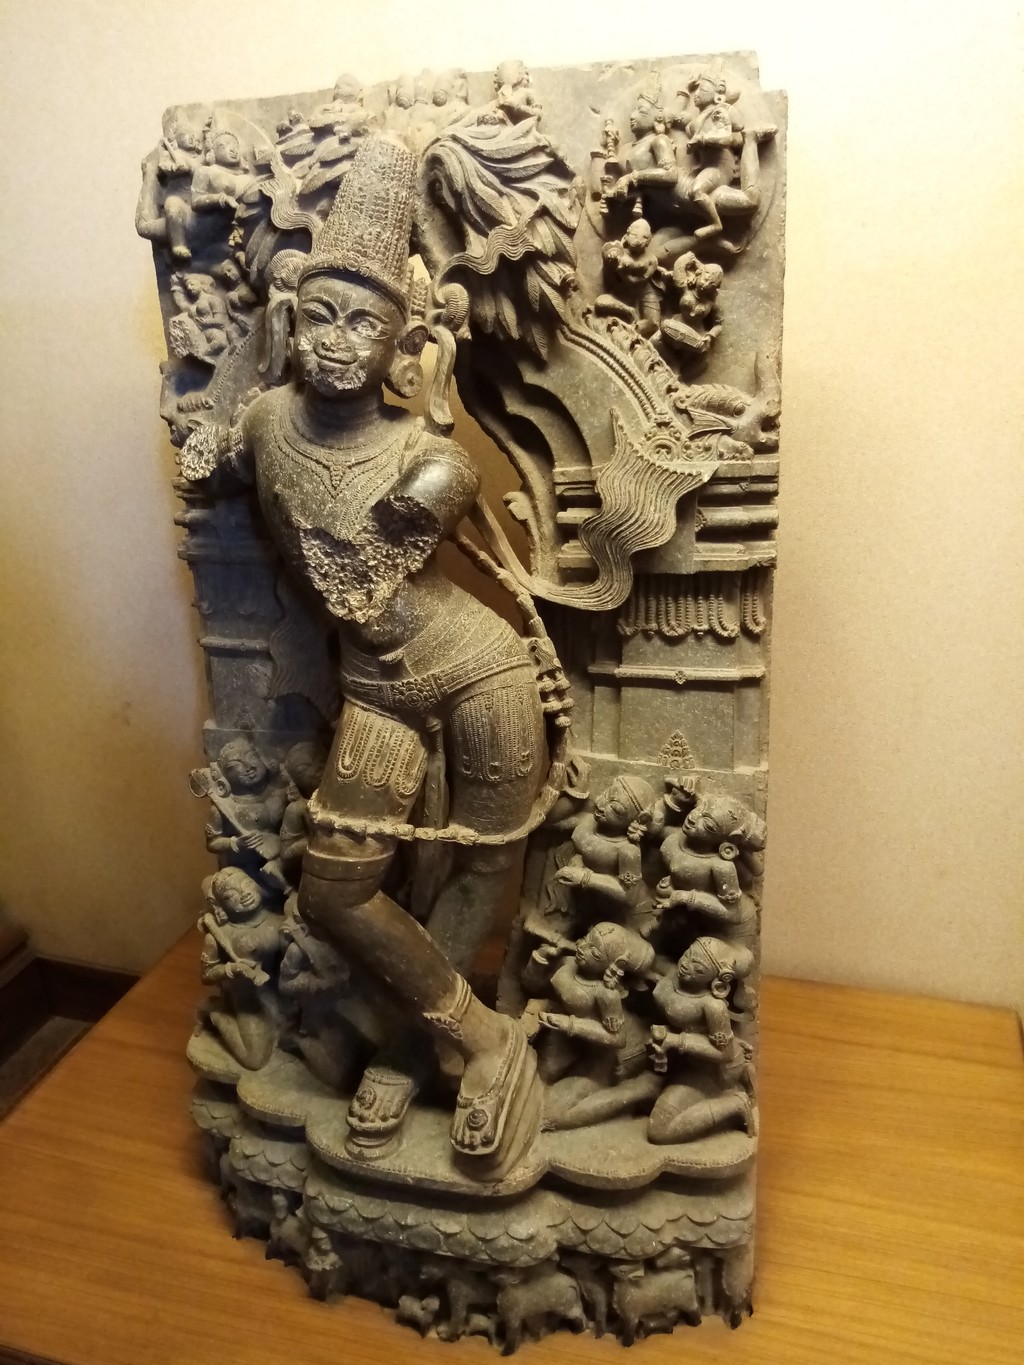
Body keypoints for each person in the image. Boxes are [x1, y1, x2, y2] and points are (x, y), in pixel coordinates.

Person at [181, 134, 549, 1179]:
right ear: (291, 322)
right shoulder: (267, 422)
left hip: (481, 672)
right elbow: (216, 456)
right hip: (378, 691)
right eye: (321, 316)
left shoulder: (429, 460)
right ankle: (475, 1035)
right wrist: (218, 412)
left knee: (481, 863)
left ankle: (406, 1052)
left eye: (365, 323)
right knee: (335, 893)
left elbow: (371, 561)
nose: (339, 342)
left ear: (402, 347)